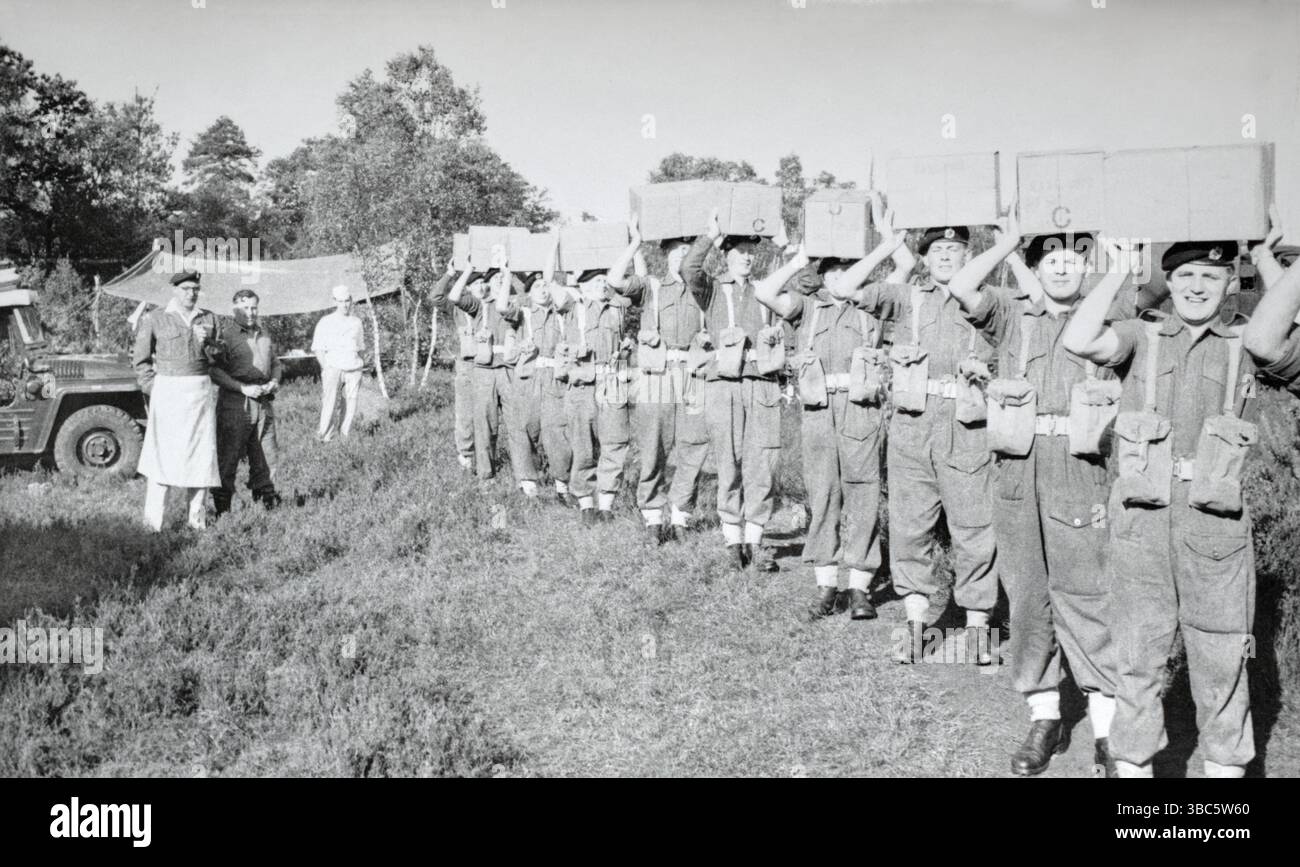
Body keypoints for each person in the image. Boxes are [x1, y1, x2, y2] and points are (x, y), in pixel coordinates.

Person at [1063, 239, 1260, 779]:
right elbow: (1079, 338)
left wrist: (1268, 255)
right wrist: (1116, 272)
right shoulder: (1141, 333)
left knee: (1222, 660)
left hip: (1216, 526)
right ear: (1168, 282)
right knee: (1137, 655)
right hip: (1141, 523)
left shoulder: (1247, 341)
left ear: (1230, 285)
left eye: (1212, 277)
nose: (1198, 287)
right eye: (1187, 275)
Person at [945, 213, 1132, 776]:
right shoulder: (1009, 314)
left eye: (1073, 260)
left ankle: (1105, 728)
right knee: (1026, 595)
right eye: (1050, 260)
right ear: (1034, 268)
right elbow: (960, 286)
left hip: (1081, 470)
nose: (1062, 268)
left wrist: (1119, 271)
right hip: (1016, 470)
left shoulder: (1110, 320)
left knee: (1087, 596)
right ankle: (1044, 714)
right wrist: (1003, 242)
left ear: (1088, 267)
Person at [840, 222, 1000, 663]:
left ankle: (978, 628)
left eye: (955, 248)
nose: (946, 256)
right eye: (938, 250)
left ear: (969, 256)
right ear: (925, 259)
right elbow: (845, 287)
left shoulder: (988, 303)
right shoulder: (906, 296)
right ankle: (915, 627)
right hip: (912, 426)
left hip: (968, 429)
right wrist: (889, 247)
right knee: (911, 528)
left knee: (975, 530)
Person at [754, 221, 904, 619]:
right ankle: (826, 585)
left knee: (864, 494)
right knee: (823, 495)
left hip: (862, 413)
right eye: (831, 270)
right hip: (819, 413)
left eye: (847, 269)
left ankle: (859, 586)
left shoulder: (872, 306)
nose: (838, 276)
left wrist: (888, 241)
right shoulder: (807, 308)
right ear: (822, 275)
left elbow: (906, 270)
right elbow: (765, 292)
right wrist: (799, 259)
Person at [681, 210, 789, 571]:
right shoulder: (711, 290)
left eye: (750, 251)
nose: (746, 256)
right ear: (725, 254)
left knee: (762, 462)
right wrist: (709, 237)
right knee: (727, 461)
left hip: (761, 385)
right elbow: (688, 271)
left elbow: (805, 285)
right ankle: (732, 539)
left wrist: (786, 247)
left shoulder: (766, 290)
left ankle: (755, 543)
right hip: (724, 386)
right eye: (739, 250)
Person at [607, 216, 709, 543]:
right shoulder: (650, 286)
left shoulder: (705, 289)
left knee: (693, 447)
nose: (681, 256)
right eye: (676, 251)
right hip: (656, 377)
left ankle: (681, 517)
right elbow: (614, 280)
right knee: (653, 447)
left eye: (688, 250)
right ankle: (653, 517)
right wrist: (635, 243)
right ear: (665, 254)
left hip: (693, 376)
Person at [132, 270, 223, 532]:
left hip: (200, 392)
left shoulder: (209, 318)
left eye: (195, 289)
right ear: (174, 290)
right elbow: (140, 361)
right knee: (163, 458)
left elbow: (220, 359)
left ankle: (197, 523)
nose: (191, 293)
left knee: (201, 457)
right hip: (168, 393)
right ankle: (152, 526)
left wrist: (210, 343)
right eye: (185, 289)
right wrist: (155, 389)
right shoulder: (156, 318)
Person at [553, 267, 633, 523]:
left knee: (614, 443)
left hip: (612, 383)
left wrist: (636, 241)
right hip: (582, 387)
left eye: (604, 280)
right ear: (583, 286)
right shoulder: (572, 307)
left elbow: (639, 283)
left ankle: (607, 504)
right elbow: (549, 282)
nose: (602, 285)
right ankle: (586, 503)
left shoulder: (618, 308)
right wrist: (554, 244)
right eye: (596, 281)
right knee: (583, 445)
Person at [507, 255, 577, 507]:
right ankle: (529, 486)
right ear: (528, 292)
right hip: (528, 380)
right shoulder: (523, 313)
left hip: (555, 380)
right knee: (524, 430)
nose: (543, 290)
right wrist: (506, 272)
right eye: (536, 286)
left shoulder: (563, 315)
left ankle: (562, 485)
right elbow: (503, 306)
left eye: (545, 285)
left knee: (557, 432)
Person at [447, 263, 523, 483]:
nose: (500, 281)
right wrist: (468, 269)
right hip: (484, 370)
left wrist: (510, 272)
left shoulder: (515, 305)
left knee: (517, 424)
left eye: (503, 279)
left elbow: (528, 290)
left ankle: (525, 478)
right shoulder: (480, 306)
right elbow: (453, 296)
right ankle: (486, 475)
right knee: (484, 425)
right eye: (495, 279)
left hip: (509, 370)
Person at [209, 289, 282, 517]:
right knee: (229, 457)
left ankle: (267, 504)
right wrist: (242, 388)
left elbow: (276, 364)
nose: (250, 313)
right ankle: (223, 512)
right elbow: (214, 370)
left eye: (253, 308)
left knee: (267, 455)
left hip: (263, 402)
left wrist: (274, 381)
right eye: (245, 308)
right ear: (234, 309)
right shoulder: (225, 336)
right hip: (236, 403)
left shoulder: (264, 334)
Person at [430, 256, 477, 472]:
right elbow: (436, 296)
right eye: (475, 285)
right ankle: (466, 455)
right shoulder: (457, 307)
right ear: (467, 287)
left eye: (482, 285)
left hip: (492, 367)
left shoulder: (489, 307)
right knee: (465, 413)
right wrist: (449, 274)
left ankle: (487, 455)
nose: (480, 288)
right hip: (467, 367)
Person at [312, 285, 366, 442]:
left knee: (350, 403)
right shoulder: (326, 321)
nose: (345, 305)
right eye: (341, 301)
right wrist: (326, 367)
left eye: (347, 301)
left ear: (351, 301)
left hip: (353, 368)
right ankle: (324, 437)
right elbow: (318, 348)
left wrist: (359, 364)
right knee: (329, 403)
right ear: (334, 301)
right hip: (333, 368)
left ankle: (344, 437)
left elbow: (361, 346)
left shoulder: (356, 322)